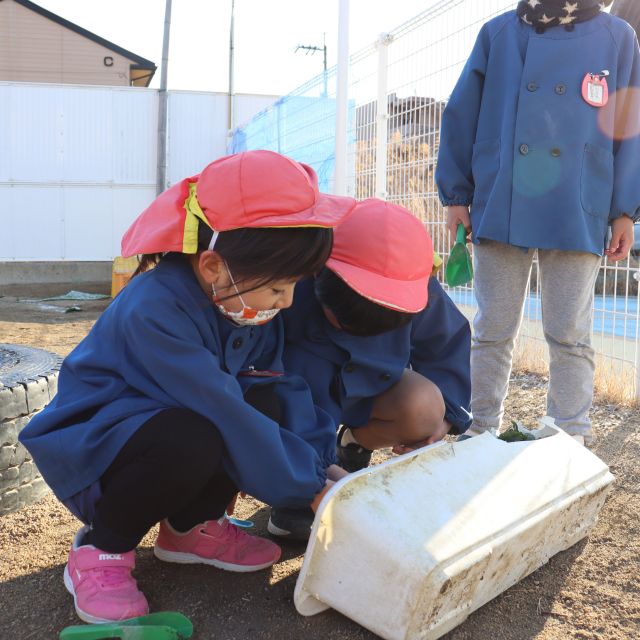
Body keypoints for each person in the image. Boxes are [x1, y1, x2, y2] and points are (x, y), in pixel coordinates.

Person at [19, 150, 356, 623]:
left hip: (177, 422)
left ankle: (190, 529)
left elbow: (280, 390)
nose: (288, 300)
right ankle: (101, 550)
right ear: (214, 265)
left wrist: (325, 466)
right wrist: (306, 486)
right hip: (101, 446)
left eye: (296, 284)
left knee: (258, 403)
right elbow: (219, 406)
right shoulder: (154, 308)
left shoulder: (243, 301)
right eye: (280, 287)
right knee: (199, 433)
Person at [435, 0, 640, 445]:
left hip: (579, 198)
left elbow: (630, 123)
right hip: (502, 193)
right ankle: (481, 427)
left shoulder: (616, 36)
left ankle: (568, 436)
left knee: (570, 332)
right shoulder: (498, 33)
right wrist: (456, 194)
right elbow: (462, 112)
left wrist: (625, 209)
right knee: (492, 329)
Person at [268, 198, 472, 540]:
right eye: (342, 320)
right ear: (319, 274)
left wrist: (446, 420)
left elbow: (445, 346)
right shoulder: (291, 281)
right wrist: (309, 474)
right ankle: (295, 493)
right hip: (301, 402)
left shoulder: (415, 280)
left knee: (426, 408)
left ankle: (352, 446)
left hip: (371, 389)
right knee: (276, 409)